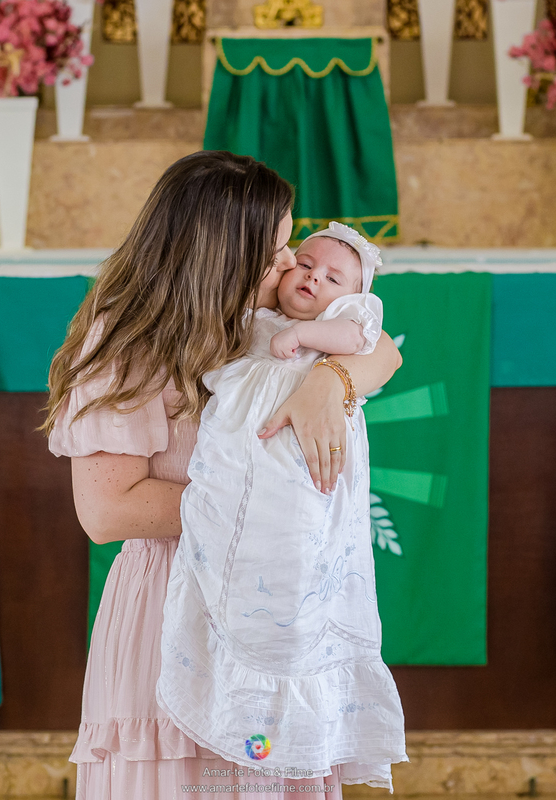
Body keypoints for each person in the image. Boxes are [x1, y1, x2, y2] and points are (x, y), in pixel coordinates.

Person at [44, 151, 403, 799]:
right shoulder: (125, 344)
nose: (293, 265)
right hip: (175, 602)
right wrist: (266, 508)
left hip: (274, 613)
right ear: (219, 255)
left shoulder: (261, 323)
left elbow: (379, 346)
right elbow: (107, 509)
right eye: (275, 254)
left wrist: (330, 380)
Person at [157, 221, 408, 791]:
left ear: (352, 295)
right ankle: (242, 717)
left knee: (292, 574)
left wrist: (311, 346)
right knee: (230, 575)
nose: (312, 277)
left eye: (332, 277)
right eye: (304, 264)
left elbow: (368, 343)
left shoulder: (339, 326)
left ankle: (273, 730)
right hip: (234, 479)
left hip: (296, 487)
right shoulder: (258, 316)